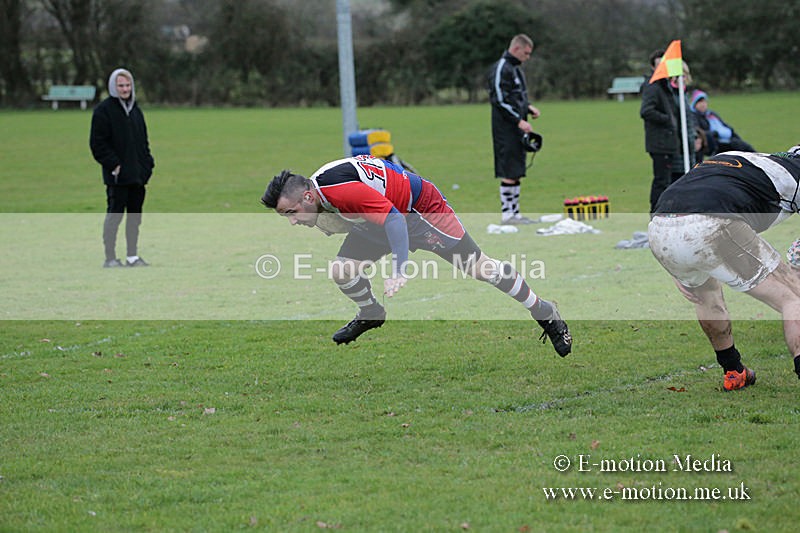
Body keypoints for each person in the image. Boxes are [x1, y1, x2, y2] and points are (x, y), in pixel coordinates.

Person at [260, 155, 572, 356]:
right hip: (378, 218)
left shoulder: (339, 191)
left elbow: (395, 218)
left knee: (480, 268)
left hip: (422, 211)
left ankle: (544, 311)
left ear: (307, 195)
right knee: (341, 271)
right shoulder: (318, 192)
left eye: (292, 212)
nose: (292, 220)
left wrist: (399, 268)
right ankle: (371, 312)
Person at [647, 145, 800, 391]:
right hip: (710, 223)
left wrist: (678, 264)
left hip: (660, 228)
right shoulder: (792, 175)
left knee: (706, 296)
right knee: (792, 297)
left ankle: (733, 371)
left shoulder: (735, 158)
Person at [90, 68, 155, 268]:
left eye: (127, 85)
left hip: (137, 177)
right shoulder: (103, 111)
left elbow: (143, 142)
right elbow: (97, 144)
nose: (125, 89)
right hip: (117, 177)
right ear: (113, 87)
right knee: (114, 216)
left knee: (135, 218)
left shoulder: (136, 110)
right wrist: (114, 165)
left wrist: (147, 165)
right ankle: (110, 257)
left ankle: (132, 256)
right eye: (121, 85)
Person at [487, 34, 541, 225]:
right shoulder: (502, 67)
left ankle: (516, 213)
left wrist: (528, 107)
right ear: (517, 49)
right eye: (526, 53)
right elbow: (499, 99)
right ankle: (507, 214)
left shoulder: (516, 69)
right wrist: (518, 120)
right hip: (505, 129)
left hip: (517, 128)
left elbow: (516, 97)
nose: (528, 57)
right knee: (508, 170)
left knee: (517, 170)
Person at [640, 50, 696, 213]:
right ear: (653, 66)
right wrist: (668, 120)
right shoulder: (653, 86)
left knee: (672, 180)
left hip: (671, 142)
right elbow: (646, 111)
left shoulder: (665, 86)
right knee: (661, 181)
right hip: (660, 143)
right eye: (658, 64)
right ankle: (656, 214)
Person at [690, 89, 756, 156]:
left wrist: (730, 130)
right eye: (700, 102)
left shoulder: (711, 114)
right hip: (716, 142)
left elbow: (723, 124)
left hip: (728, 138)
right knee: (739, 147)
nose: (703, 104)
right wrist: (715, 133)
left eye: (704, 102)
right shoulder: (694, 116)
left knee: (745, 147)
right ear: (695, 104)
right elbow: (699, 132)